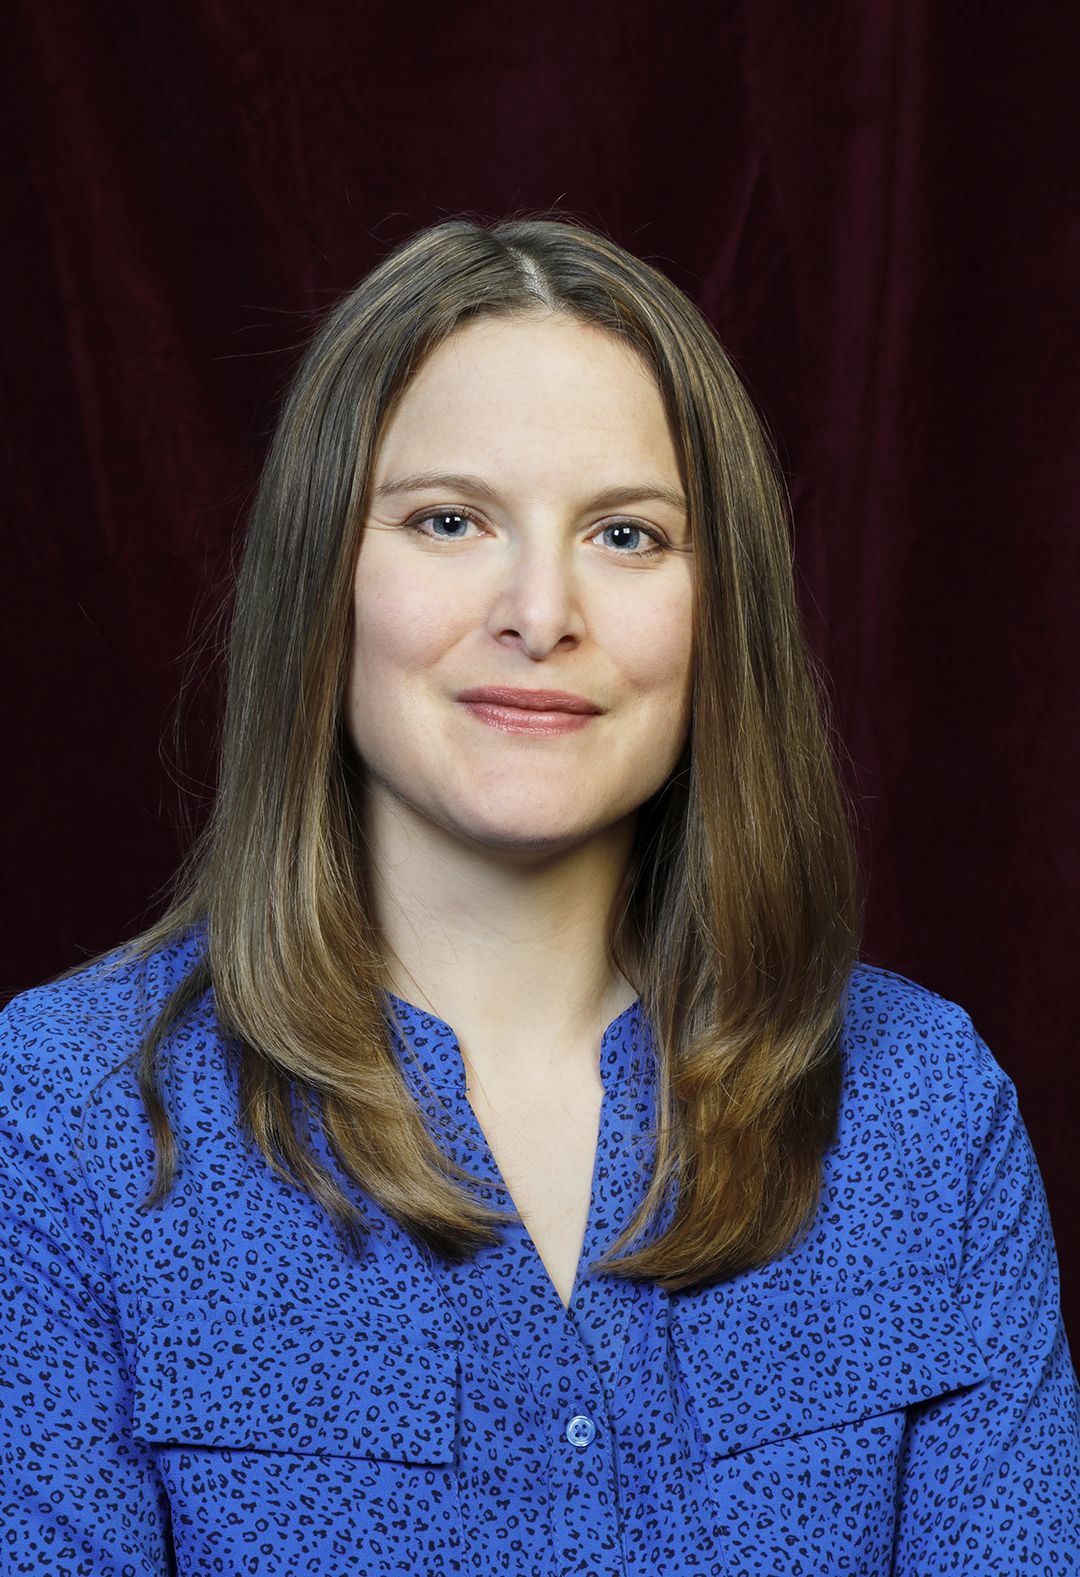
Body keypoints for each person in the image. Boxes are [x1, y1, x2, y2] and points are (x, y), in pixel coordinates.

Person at [1, 213, 1077, 1576]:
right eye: (449, 520)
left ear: (719, 611)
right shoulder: (63, 1122)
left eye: (627, 534)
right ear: (320, 579)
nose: (539, 609)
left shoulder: (925, 1108)